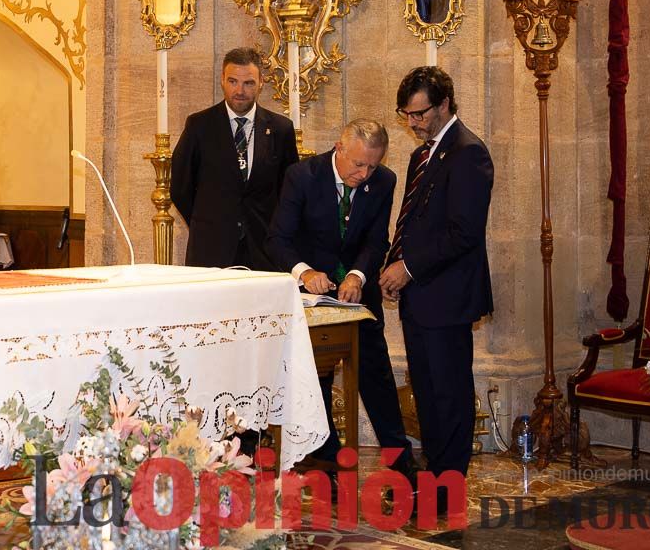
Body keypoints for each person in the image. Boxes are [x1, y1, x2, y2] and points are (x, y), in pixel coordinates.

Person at [267, 119, 416, 480]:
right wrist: (304, 273)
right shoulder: (302, 176)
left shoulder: (384, 182)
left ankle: (400, 460)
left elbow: (376, 240)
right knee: (315, 378)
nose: (364, 174)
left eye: (372, 165)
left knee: (376, 374)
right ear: (339, 148)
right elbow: (277, 239)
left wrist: (358, 275)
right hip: (309, 296)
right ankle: (328, 456)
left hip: (356, 296)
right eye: (358, 165)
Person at [380, 66, 494, 485]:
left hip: (447, 296)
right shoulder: (421, 155)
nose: (412, 122)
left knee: (448, 394)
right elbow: (413, 222)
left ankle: (450, 481)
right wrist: (392, 262)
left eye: (420, 114)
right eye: (406, 114)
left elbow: (463, 232)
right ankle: (434, 476)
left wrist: (407, 269)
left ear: (444, 104)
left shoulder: (468, 152)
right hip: (420, 296)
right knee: (426, 393)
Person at [171, 47, 298, 270]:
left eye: (248, 83)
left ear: (261, 83)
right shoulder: (199, 125)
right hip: (211, 248)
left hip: (263, 248)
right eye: (232, 81)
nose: (239, 90)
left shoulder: (280, 129)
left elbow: (288, 190)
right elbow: (181, 187)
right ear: (222, 81)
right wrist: (208, 221)